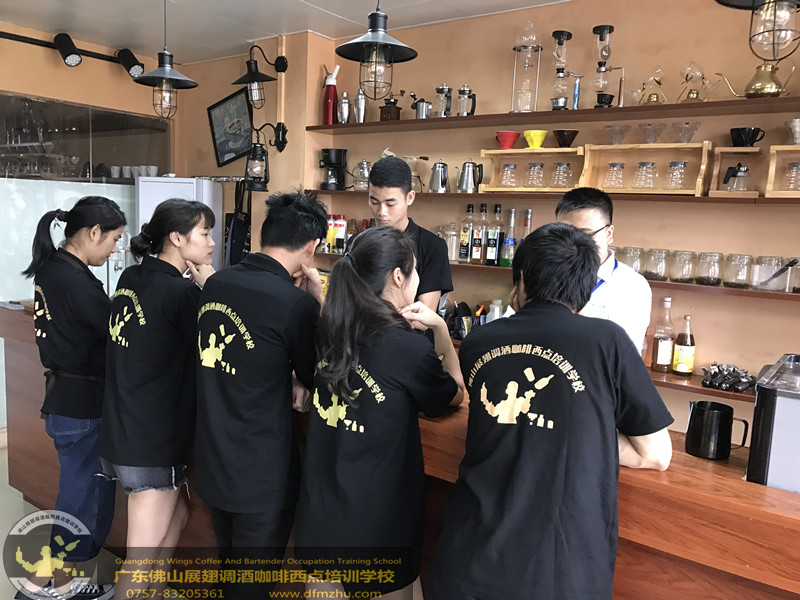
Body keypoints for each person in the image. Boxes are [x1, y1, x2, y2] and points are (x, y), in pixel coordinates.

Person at [428, 223, 673, 600]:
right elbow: (655, 454)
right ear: (587, 291)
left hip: (468, 558)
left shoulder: (479, 341)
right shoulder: (607, 341)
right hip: (563, 571)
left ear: (521, 280)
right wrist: (585, 430)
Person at [295, 226, 464, 599]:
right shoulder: (406, 348)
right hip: (379, 520)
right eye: (415, 272)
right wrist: (440, 329)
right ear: (399, 277)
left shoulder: (327, 330)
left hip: (320, 509)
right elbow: (453, 394)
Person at [193, 191, 328, 600]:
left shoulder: (217, 283)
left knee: (230, 572)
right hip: (260, 475)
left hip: (213, 462)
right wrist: (320, 301)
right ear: (311, 248)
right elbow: (322, 376)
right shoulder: (294, 304)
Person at [99, 199, 215, 600]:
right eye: (204, 234)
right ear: (177, 238)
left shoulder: (131, 276)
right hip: (151, 443)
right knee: (138, 561)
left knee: (178, 514)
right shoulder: (182, 293)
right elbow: (220, 349)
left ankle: (155, 592)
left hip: (122, 431)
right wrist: (212, 288)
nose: (211, 243)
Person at [21, 196, 127, 600]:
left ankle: (48, 583)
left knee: (76, 494)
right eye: (113, 239)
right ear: (93, 232)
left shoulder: (53, 269)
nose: (114, 249)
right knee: (84, 499)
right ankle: (57, 587)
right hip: (82, 405)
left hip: (65, 401)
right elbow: (116, 329)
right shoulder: (75, 280)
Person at [555, 187, 652, 352]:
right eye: (564, 233)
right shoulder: (544, 273)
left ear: (609, 233)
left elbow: (623, 354)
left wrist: (578, 317)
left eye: (585, 234)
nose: (573, 243)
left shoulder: (633, 286)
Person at [368, 156, 453, 313]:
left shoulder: (432, 247)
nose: (381, 212)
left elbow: (424, 317)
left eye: (390, 204)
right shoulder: (359, 243)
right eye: (374, 202)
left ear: (410, 198)